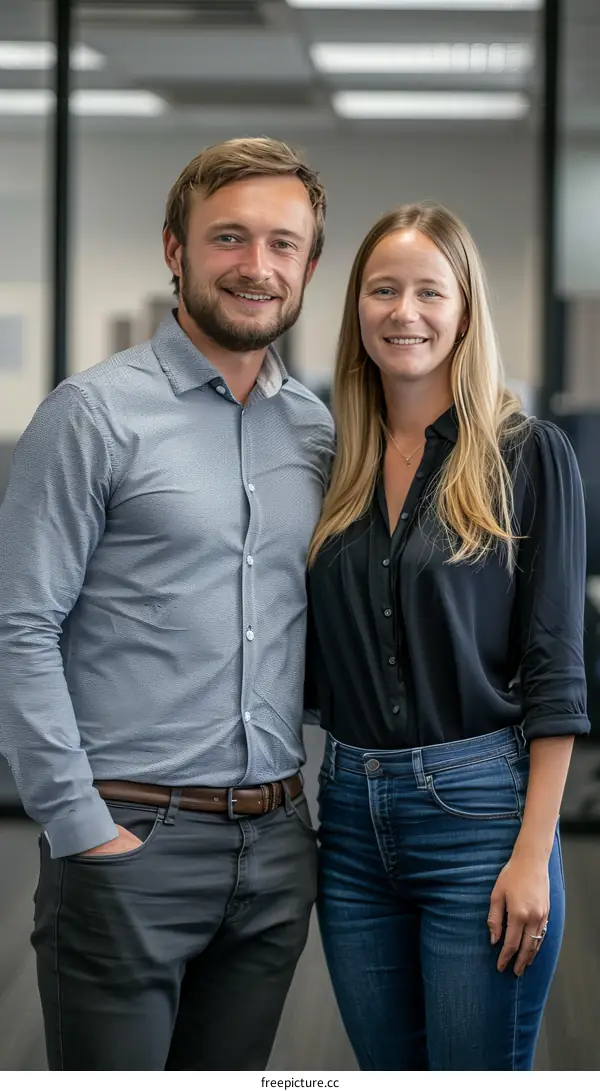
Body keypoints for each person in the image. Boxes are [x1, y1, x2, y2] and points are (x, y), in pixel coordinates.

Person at [0, 137, 334, 1071]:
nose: (256, 266)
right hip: (130, 839)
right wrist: (79, 826)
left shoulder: (313, 428)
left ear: (309, 265)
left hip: (275, 845)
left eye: (282, 243)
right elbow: (20, 625)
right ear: (174, 250)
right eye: (229, 237)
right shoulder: (92, 415)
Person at [306, 203, 589, 1071]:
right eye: (383, 289)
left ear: (465, 310)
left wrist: (533, 853)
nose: (405, 311)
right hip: (349, 819)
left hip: (480, 819)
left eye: (430, 291)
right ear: (356, 308)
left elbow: (555, 668)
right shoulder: (330, 459)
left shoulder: (526, 456)